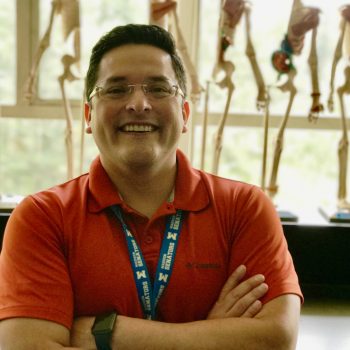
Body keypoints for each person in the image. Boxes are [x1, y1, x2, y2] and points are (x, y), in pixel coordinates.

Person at [0, 24, 302, 349]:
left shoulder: (245, 207)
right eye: (116, 90)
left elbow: (276, 340)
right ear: (88, 116)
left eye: (158, 89)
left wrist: (107, 334)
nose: (139, 103)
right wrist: (211, 335)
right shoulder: (43, 218)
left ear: (185, 114)